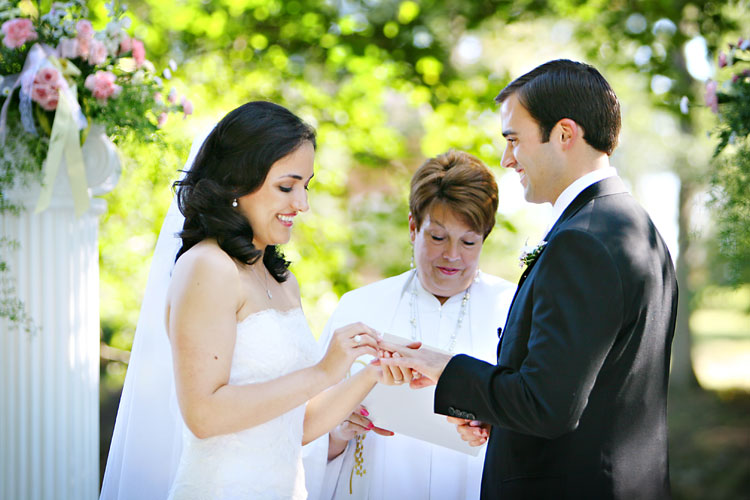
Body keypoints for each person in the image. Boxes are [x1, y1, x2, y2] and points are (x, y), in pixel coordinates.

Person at [380, 59, 678, 499]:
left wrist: (445, 368)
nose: (506, 158)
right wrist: (488, 407)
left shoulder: (583, 242)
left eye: (514, 140)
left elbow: (548, 407)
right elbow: (579, 391)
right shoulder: (634, 227)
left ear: (563, 134)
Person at [100, 101, 384, 500]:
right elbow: (203, 414)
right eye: (287, 186)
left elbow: (291, 425)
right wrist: (322, 372)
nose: (301, 205)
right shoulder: (207, 267)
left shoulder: (284, 282)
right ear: (237, 182)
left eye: (307, 186)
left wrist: (373, 373)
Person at [315, 150, 516, 499]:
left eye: (468, 241)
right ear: (413, 227)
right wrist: (337, 432)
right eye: (437, 238)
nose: (452, 255)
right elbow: (308, 430)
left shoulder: (512, 308)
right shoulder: (360, 306)